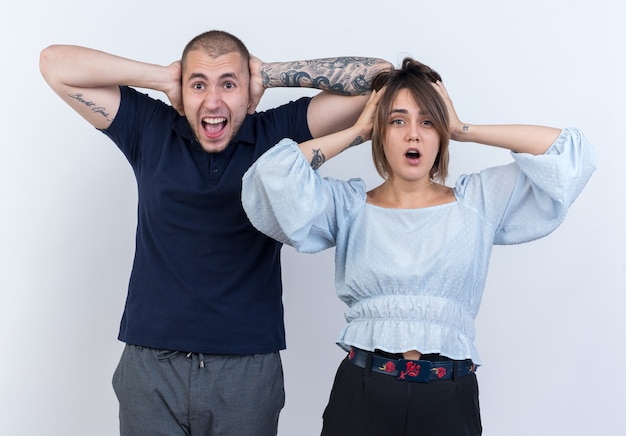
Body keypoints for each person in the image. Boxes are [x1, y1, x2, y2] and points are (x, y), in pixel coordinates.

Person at [39, 30, 391, 435]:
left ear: (248, 93)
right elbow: (54, 63)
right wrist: (163, 77)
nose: (213, 101)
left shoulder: (276, 133)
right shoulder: (149, 128)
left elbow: (380, 77)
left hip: (247, 370)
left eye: (229, 84)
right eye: (198, 84)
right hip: (151, 367)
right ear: (182, 91)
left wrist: (268, 74)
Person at [241, 57, 596, 435]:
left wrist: (462, 128)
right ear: (381, 131)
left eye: (428, 121)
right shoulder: (348, 206)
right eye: (397, 121)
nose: (413, 134)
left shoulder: (479, 201)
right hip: (362, 397)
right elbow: (271, 175)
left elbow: (569, 154)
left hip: (449, 400)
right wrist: (359, 131)